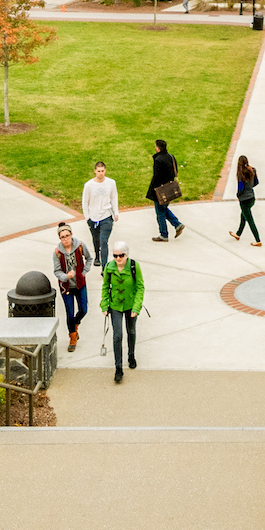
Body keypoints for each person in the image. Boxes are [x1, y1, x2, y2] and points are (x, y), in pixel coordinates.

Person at [101, 239, 144, 382]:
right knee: (117, 335)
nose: (118, 258)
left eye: (121, 255)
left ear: (126, 255)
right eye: (115, 255)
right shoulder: (109, 267)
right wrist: (104, 305)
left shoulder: (134, 266)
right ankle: (118, 368)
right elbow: (105, 286)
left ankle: (131, 355)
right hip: (115, 306)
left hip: (131, 305)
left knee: (131, 331)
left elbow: (140, 288)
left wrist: (136, 307)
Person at [51, 222, 88, 351]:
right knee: (70, 313)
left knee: (84, 309)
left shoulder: (80, 246)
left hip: (80, 284)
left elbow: (89, 258)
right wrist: (66, 276)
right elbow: (56, 271)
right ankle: (72, 337)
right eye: (62, 237)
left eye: (67, 235)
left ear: (71, 234)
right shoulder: (57, 252)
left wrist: (83, 273)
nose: (65, 239)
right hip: (66, 287)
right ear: (59, 238)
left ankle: (76, 324)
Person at [81, 161, 118, 268]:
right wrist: (87, 216)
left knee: (103, 241)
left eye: (102, 171)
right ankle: (97, 256)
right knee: (96, 239)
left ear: (105, 171)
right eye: (98, 171)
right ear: (95, 171)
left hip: (106, 216)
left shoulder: (111, 183)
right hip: (93, 217)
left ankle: (104, 267)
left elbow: (114, 197)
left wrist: (116, 212)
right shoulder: (88, 185)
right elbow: (85, 201)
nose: (101, 173)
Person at [148, 139, 183, 240]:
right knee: (163, 209)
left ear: (157, 148)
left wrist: (153, 190)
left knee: (160, 213)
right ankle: (177, 224)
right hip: (170, 188)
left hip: (161, 190)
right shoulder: (170, 157)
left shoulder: (158, 160)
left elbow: (157, 176)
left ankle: (164, 234)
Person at [229, 155, 263, 246]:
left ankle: (258, 240)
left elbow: (240, 188)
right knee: (243, 216)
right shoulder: (252, 170)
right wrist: (249, 187)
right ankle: (238, 234)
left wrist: (238, 195)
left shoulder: (241, 173)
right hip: (252, 198)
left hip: (244, 200)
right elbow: (256, 182)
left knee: (250, 221)